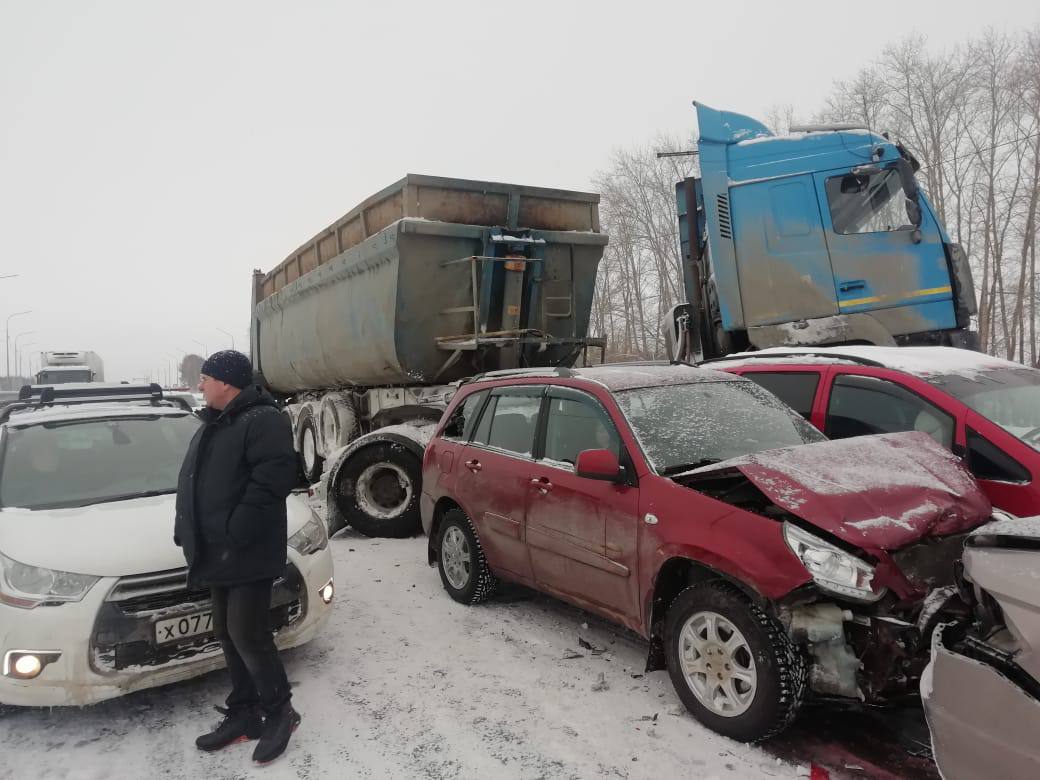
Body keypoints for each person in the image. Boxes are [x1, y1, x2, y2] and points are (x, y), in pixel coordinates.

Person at [174, 350, 301, 765]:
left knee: (249, 634)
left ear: (227, 381)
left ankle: (281, 711)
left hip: (246, 550)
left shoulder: (262, 419)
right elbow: (196, 482)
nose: (200, 385)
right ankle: (246, 712)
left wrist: (236, 532)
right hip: (218, 551)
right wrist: (187, 528)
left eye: (205, 378)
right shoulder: (217, 422)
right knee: (228, 634)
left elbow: (272, 481)